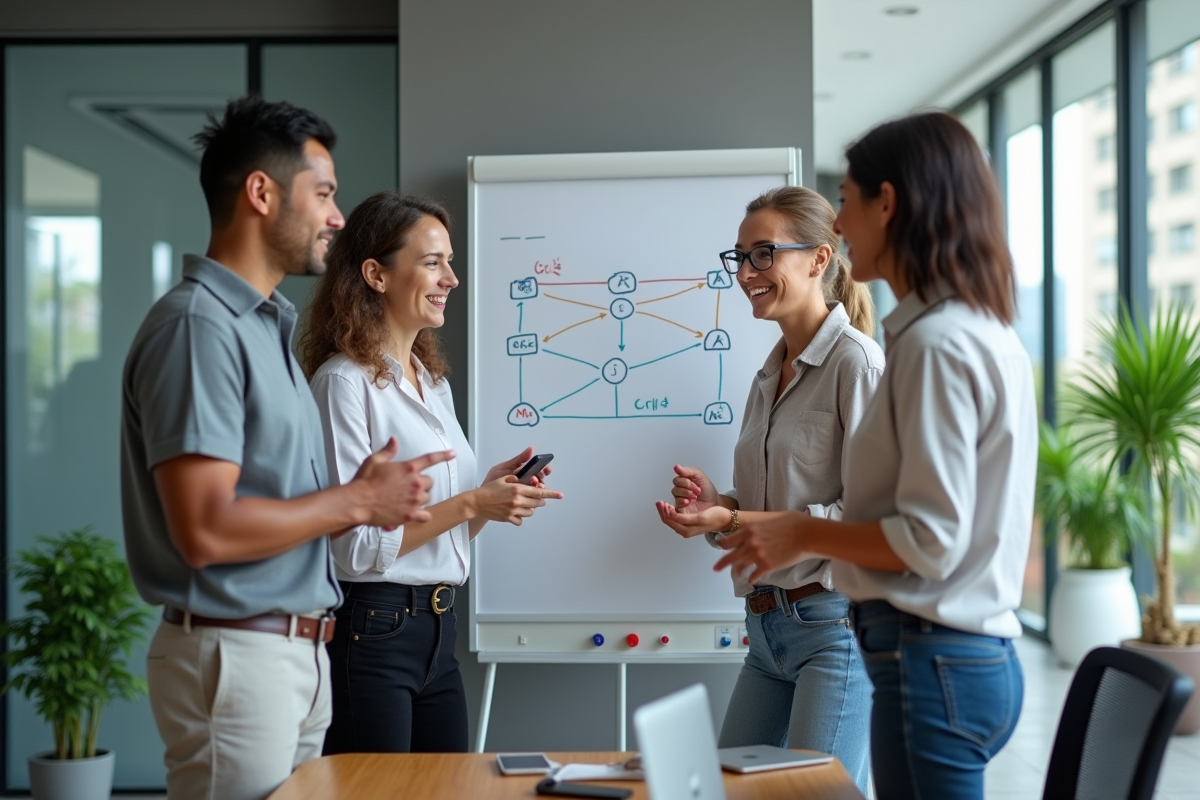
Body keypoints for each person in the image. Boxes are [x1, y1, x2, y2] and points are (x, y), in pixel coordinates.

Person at [120, 96, 454, 800]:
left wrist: (357, 500)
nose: (337, 216)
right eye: (325, 193)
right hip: (237, 654)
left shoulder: (262, 327)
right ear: (261, 193)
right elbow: (204, 529)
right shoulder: (197, 329)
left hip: (297, 653)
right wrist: (356, 500)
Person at [713, 112, 1038, 800]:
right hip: (946, 654)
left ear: (887, 202)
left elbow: (930, 539)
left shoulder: (932, 345)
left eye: (849, 200)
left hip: (931, 655)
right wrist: (746, 519)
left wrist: (797, 530)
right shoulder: (970, 330)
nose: (842, 221)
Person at [299, 191, 562, 754]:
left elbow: (429, 534)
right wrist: (470, 504)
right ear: (375, 274)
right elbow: (354, 549)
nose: (452, 279)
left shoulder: (431, 382)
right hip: (372, 631)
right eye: (433, 262)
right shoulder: (344, 383)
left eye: (450, 262)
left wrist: (487, 497)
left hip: (439, 634)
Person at [655, 186, 882, 793]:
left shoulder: (856, 365)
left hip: (832, 629)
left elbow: (866, 516)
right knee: (724, 789)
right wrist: (719, 505)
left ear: (819, 258)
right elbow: (771, 509)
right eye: (739, 257)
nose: (747, 273)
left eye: (763, 254)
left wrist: (731, 523)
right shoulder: (767, 374)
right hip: (765, 631)